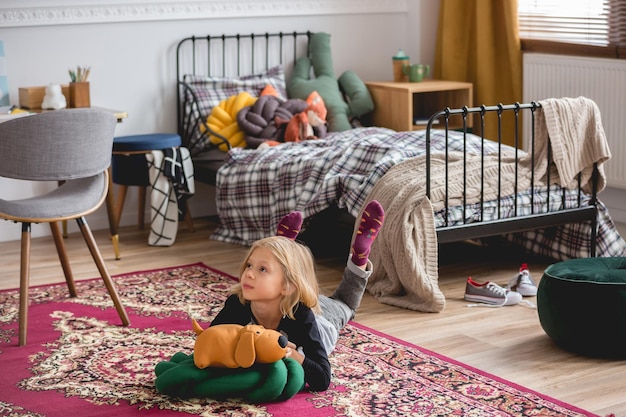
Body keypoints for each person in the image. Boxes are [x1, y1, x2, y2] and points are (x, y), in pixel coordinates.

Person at [210, 200, 385, 392]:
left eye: (262, 269)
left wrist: (291, 354)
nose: (249, 273)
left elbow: (323, 379)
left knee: (346, 304)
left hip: (323, 316)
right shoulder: (239, 301)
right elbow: (210, 342)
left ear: (287, 286)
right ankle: (280, 250)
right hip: (290, 294)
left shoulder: (302, 316)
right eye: (249, 265)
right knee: (297, 284)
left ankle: (359, 258)